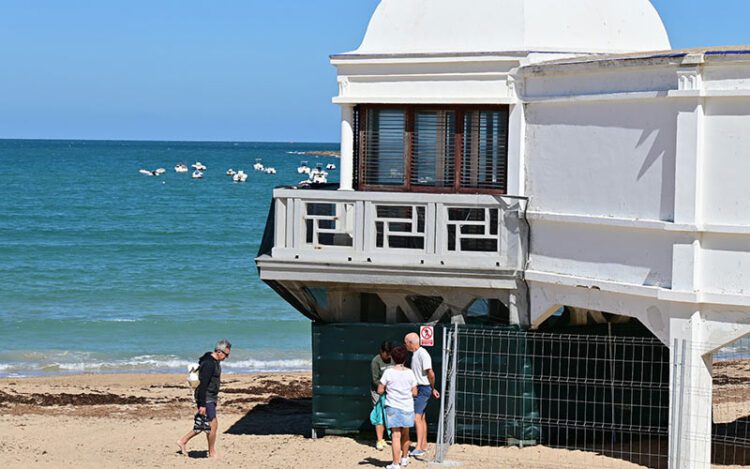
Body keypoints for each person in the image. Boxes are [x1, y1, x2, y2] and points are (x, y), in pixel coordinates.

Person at [177, 339, 232, 458]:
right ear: (218, 351)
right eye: (226, 354)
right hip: (206, 398)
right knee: (212, 424)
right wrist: (202, 404)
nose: (226, 357)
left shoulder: (213, 359)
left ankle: (183, 441)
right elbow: (203, 385)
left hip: (210, 397)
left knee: (203, 424)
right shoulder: (209, 363)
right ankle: (211, 452)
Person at [377, 346, 417, 469]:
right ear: (405, 359)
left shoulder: (388, 372)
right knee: (406, 433)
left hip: (393, 405)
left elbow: (380, 390)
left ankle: (395, 463)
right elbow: (415, 392)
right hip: (407, 406)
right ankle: (404, 458)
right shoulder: (410, 373)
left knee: (396, 435)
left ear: (393, 358)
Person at [404, 332, 440, 457]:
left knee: (416, 417)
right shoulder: (416, 354)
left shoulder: (422, 354)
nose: (405, 345)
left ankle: (418, 447)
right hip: (421, 387)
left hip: (422, 388)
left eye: (406, 342)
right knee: (422, 417)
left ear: (410, 343)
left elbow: (431, 373)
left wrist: (432, 387)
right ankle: (423, 444)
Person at [371, 341, 394, 450]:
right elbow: (375, 379)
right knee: (379, 415)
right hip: (378, 392)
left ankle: (392, 437)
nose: (388, 356)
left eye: (390, 353)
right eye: (387, 353)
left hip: (391, 392)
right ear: (382, 352)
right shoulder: (376, 361)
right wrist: (383, 387)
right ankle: (379, 440)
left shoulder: (393, 359)